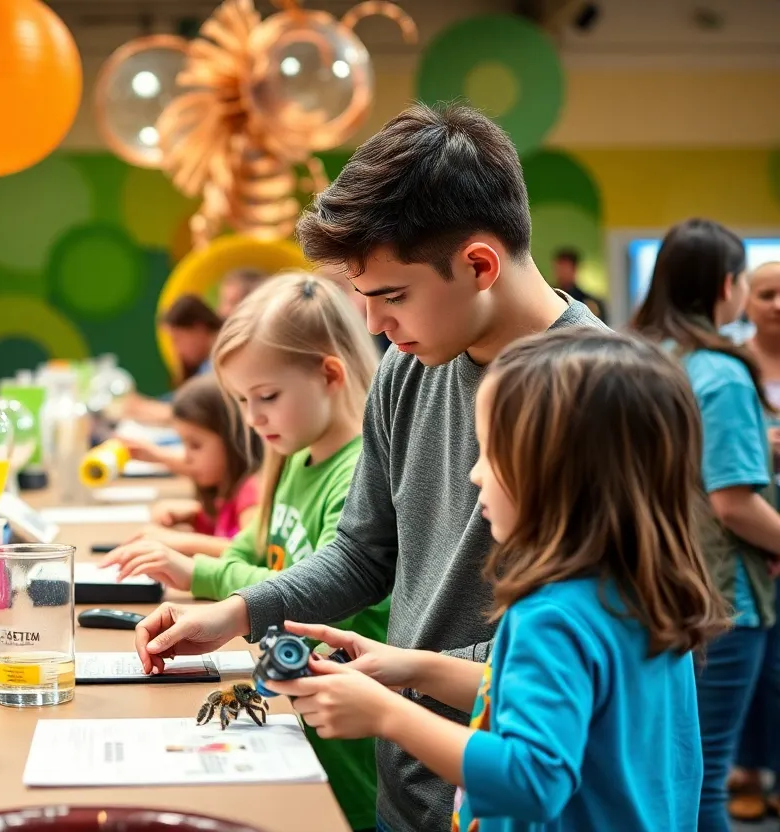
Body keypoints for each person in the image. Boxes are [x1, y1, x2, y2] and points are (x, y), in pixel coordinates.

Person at [129, 102, 605, 831]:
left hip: (516, 790)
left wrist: (404, 679)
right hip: (406, 779)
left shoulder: (604, 394)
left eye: (392, 297)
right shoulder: (407, 370)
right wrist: (238, 613)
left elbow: (601, 643)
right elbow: (362, 552)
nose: (375, 327)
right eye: (363, 299)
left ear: (479, 264)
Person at [264, 328, 724, 831]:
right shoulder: (638, 593)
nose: (474, 475)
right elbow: (555, 698)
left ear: (559, 473)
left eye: (491, 454)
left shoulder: (550, 616)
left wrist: (385, 716)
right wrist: (414, 669)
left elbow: (531, 779)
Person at [106, 272, 386, 832]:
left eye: (267, 397)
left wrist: (207, 576)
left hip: (344, 743)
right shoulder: (293, 458)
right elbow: (252, 550)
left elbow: (332, 599)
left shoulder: (354, 470)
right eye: (242, 401)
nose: (253, 419)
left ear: (330, 374)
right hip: (292, 708)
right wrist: (207, 599)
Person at [631, 219, 780, 832]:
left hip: (651, 587)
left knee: (671, 773)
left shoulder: (636, 358)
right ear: (727, 286)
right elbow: (734, 504)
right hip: (724, 598)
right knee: (704, 778)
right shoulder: (720, 374)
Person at [730, 261, 780, 822]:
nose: (776, 305)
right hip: (752, 525)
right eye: (765, 294)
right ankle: (745, 772)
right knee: (751, 658)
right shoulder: (732, 363)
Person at [113, 373, 263, 559]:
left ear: (234, 440)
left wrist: (176, 540)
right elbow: (228, 530)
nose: (186, 457)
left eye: (195, 445)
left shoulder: (251, 492)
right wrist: (197, 518)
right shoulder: (229, 492)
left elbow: (254, 554)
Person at [120, 294, 223, 425]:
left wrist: (143, 407)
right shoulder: (203, 365)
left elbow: (192, 414)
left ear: (199, 329)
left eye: (177, 339)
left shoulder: (218, 364)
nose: (177, 349)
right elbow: (177, 401)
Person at [551, 248, 605, 320]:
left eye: (565, 269)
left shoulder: (588, 302)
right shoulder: (551, 297)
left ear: (574, 269)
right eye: (558, 269)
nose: (561, 273)